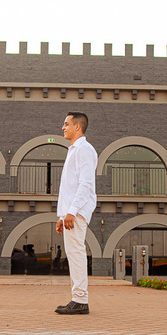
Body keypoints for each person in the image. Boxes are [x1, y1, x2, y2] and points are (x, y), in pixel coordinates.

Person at [55, 112, 97, 315]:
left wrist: (71, 212)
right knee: (73, 254)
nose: (63, 127)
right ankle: (78, 298)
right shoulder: (75, 150)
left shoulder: (83, 150)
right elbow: (70, 187)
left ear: (77, 127)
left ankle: (80, 300)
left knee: (76, 254)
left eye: (66, 124)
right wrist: (62, 215)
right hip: (72, 211)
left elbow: (85, 184)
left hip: (77, 211)